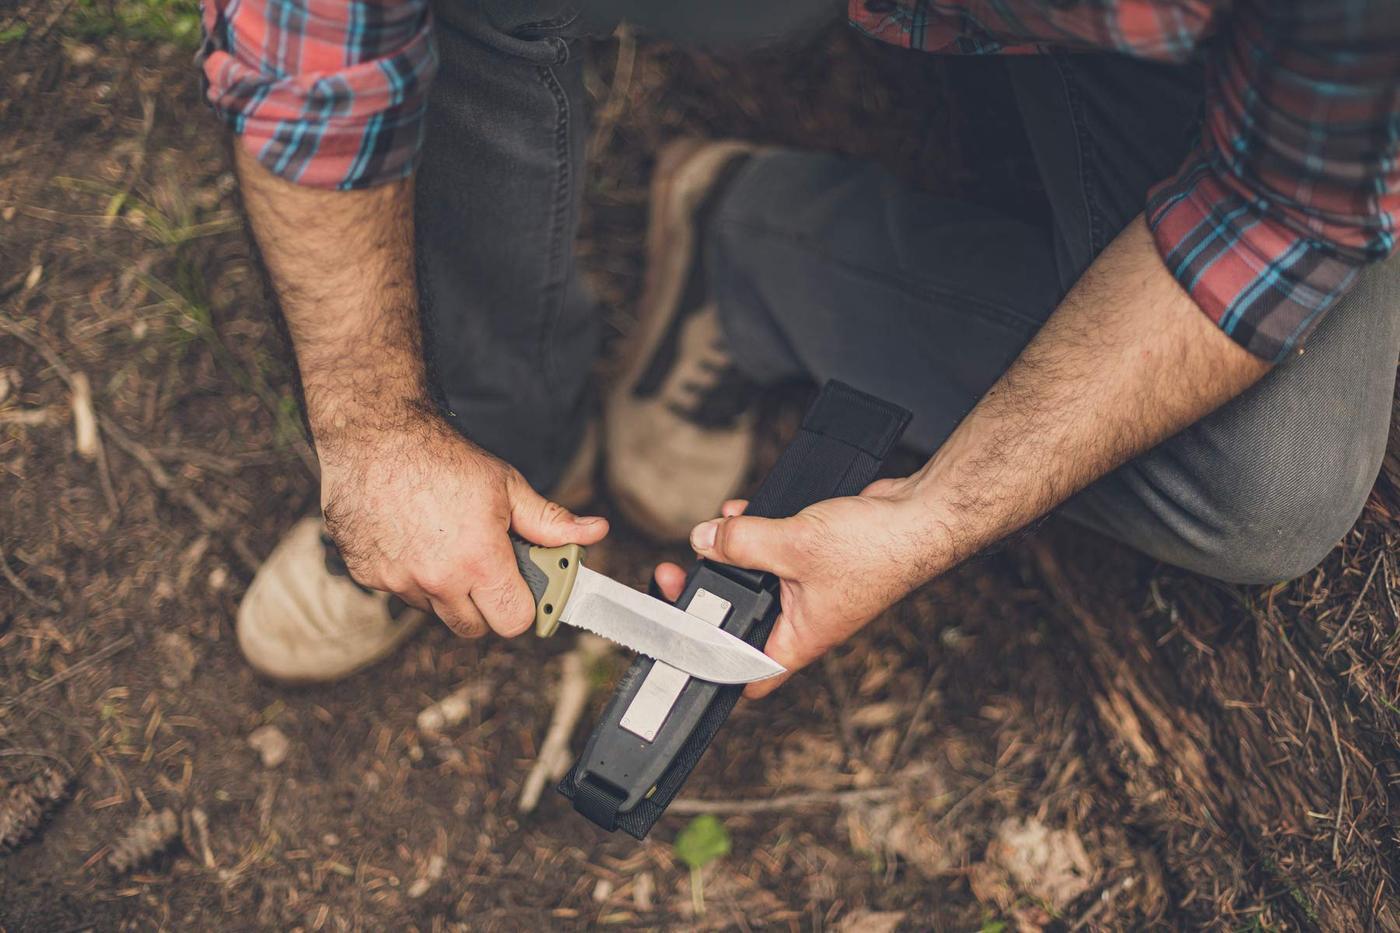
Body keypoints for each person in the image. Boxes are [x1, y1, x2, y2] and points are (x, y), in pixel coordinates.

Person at [199, 0, 1400, 696]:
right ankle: (480, 432)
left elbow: (1281, 210)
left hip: (1152, 44)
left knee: (1261, 485)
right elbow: (310, 43)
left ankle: (759, 253)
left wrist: (934, 514)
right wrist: (373, 425)